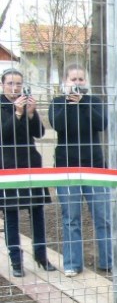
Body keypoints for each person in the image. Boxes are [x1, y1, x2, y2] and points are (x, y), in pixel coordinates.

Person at [48, 63, 111, 277]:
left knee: (102, 216)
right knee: (71, 218)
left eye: (80, 79)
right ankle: (73, 264)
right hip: (67, 168)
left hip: (94, 167)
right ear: (64, 82)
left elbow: (101, 124)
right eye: (73, 79)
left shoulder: (93, 101)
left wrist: (83, 102)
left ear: (86, 82)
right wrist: (69, 103)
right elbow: (58, 125)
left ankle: (108, 261)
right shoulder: (57, 103)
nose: (77, 83)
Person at [0, 68, 55, 277]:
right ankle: (16, 261)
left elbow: (39, 133)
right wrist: (17, 114)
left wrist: (31, 113)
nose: (15, 88)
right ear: (2, 85)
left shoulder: (25, 104)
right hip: (8, 168)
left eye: (18, 84)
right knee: (11, 216)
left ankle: (41, 256)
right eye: (10, 83)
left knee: (37, 212)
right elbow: (4, 135)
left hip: (31, 165)